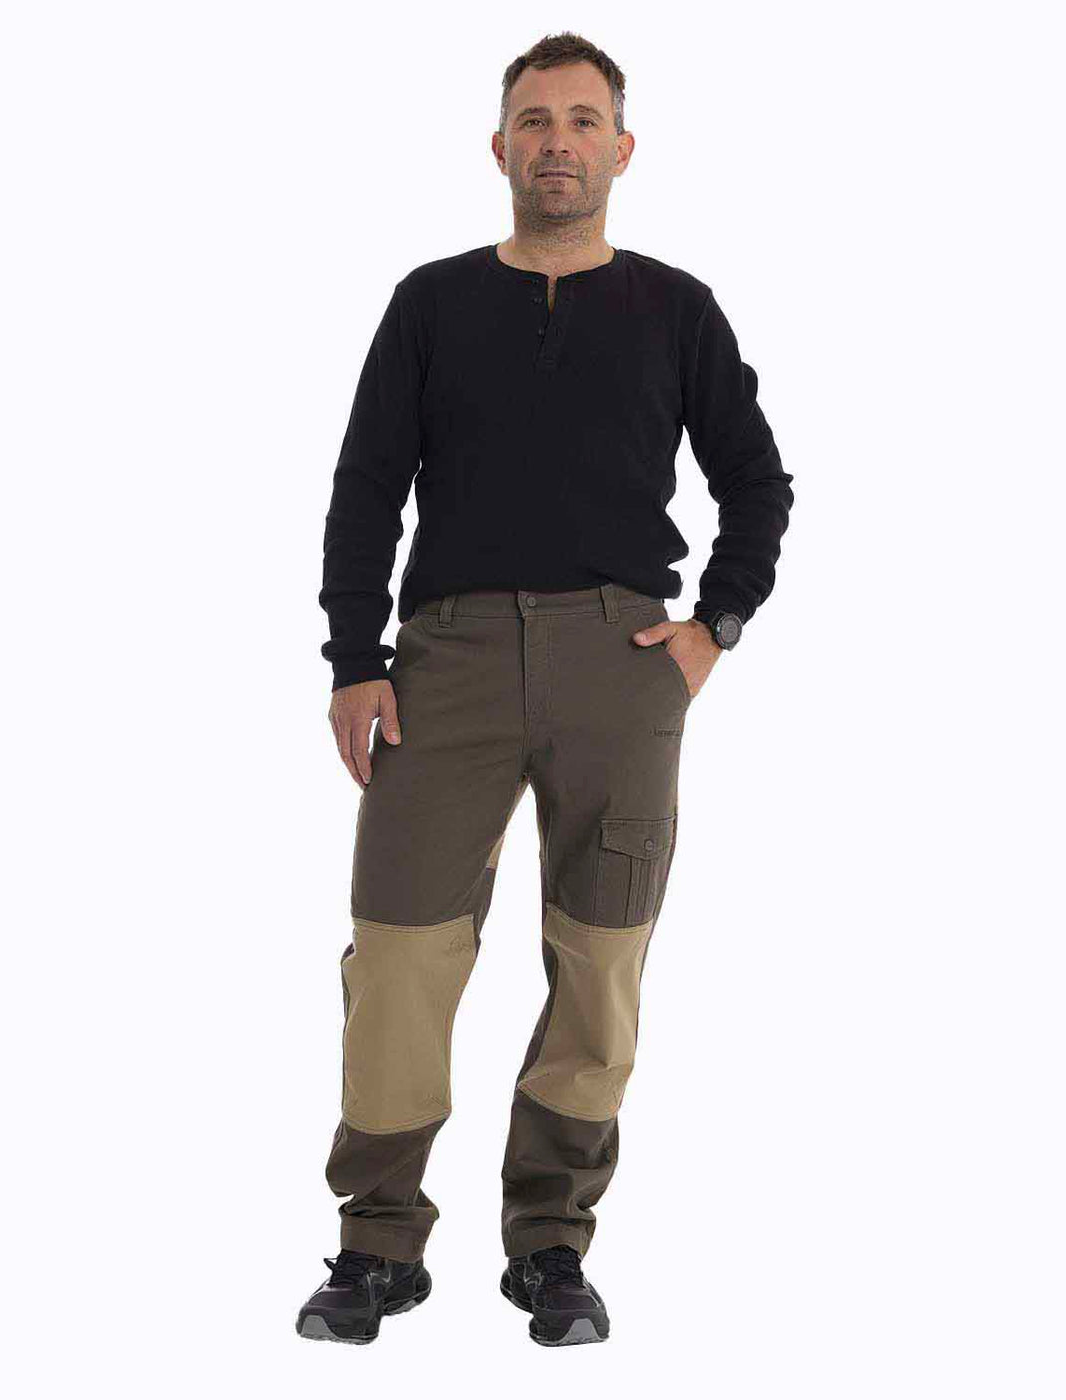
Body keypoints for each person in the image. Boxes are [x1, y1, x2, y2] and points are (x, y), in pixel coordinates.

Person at [298, 32, 793, 1347]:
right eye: (534, 119)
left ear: (622, 150)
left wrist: (712, 629)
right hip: (445, 663)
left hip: (622, 664)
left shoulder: (678, 309)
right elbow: (366, 486)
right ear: (500, 147)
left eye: (582, 120)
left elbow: (760, 482)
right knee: (399, 954)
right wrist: (355, 658)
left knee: (601, 959)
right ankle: (377, 1243)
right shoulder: (432, 303)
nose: (557, 141)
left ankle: (552, 1244)